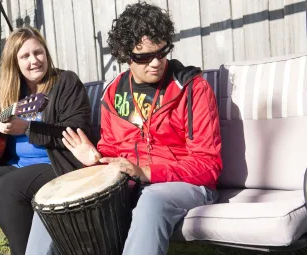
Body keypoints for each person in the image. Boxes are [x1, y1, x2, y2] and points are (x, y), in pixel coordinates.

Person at [26, 2, 222, 255]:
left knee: (151, 200)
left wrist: (147, 173)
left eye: (162, 52)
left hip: (186, 185)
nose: (155, 63)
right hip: (129, 183)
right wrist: (95, 160)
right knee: (52, 207)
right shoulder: (113, 93)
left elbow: (208, 165)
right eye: (143, 57)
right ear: (125, 55)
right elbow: (111, 152)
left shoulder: (192, 89)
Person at [0, 26, 91, 255]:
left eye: (39, 53)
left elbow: (77, 129)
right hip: (15, 166)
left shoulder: (65, 82)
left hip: (56, 165)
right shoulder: (9, 87)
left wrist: (27, 128)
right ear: (14, 63)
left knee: (8, 188)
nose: (34, 60)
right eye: (25, 56)